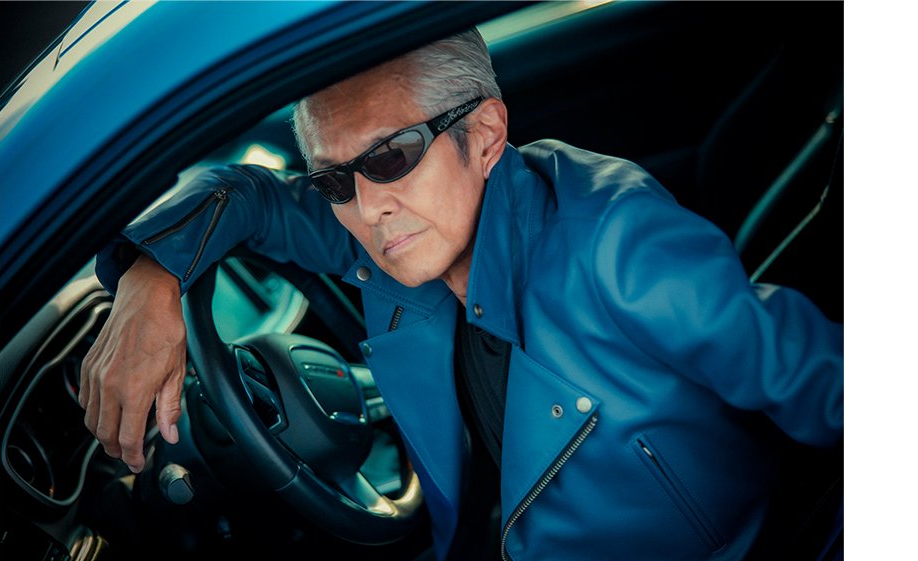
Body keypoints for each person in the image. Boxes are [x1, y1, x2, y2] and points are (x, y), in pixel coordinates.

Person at [80, 29, 843, 561]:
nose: (366, 207)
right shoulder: (389, 236)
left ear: (484, 135)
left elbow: (836, 390)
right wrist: (151, 279)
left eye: (391, 155)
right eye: (333, 180)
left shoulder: (619, 243)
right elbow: (243, 192)